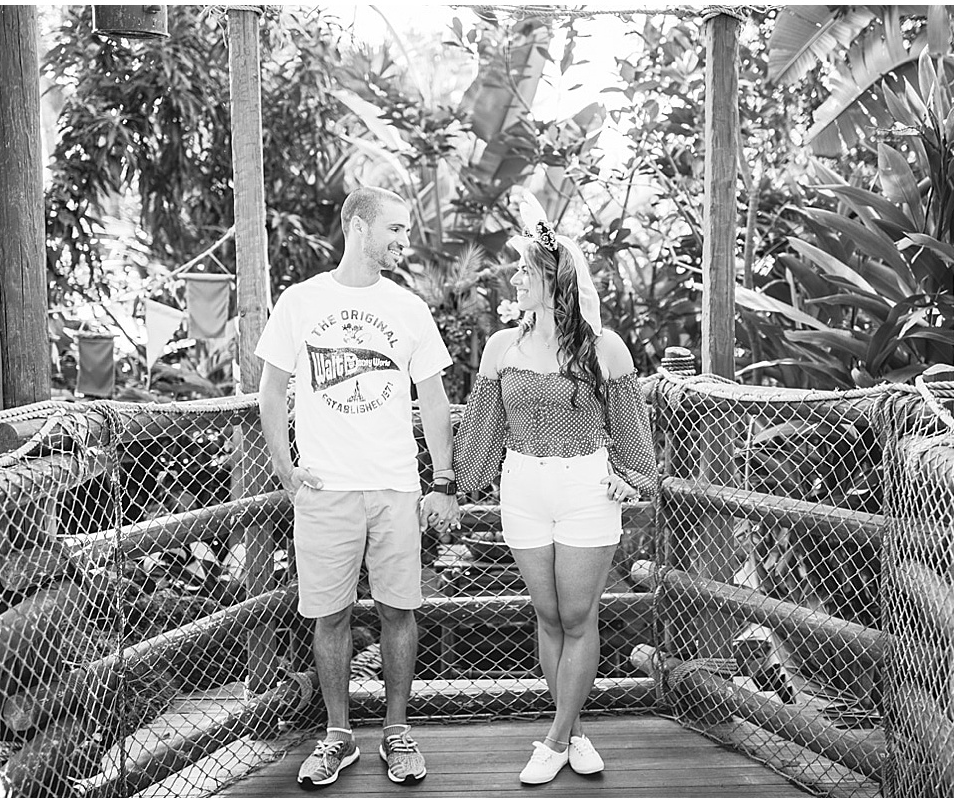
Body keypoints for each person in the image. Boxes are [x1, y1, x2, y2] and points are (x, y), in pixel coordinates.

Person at [255, 186, 461, 790]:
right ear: (357, 227)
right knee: (330, 615)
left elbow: (435, 399)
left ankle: (397, 732)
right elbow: (273, 391)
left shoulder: (408, 308)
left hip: (396, 486)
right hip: (325, 490)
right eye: (394, 229)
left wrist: (442, 480)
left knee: (400, 611)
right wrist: (285, 470)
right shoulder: (300, 301)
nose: (404, 240)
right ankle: (339, 736)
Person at [453, 187, 658, 785]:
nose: (514, 278)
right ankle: (572, 731)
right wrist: (460, 489)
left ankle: (551, 740)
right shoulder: (501, 348)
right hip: (522, 487)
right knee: (546, 614)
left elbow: (632, 432)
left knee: (577, 614)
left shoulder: (604, 348)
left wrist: (633, 479)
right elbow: (482, 425)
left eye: (524, 269)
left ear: (555, 280)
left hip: (585, 488)